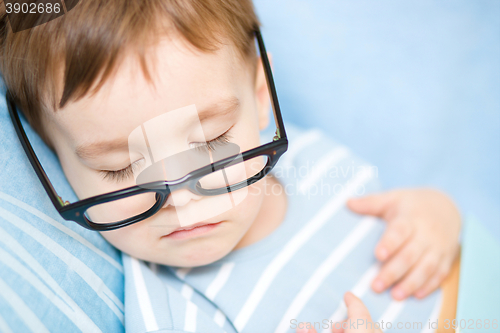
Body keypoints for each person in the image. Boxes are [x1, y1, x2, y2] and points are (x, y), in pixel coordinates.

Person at [0, 1, 461, 332]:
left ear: (262, 99)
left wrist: (437, 218)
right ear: (51, 159)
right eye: (121, 168)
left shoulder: (319, 160)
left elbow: (434, 225)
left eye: (211, 141)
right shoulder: (175, 313)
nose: (181, 199)